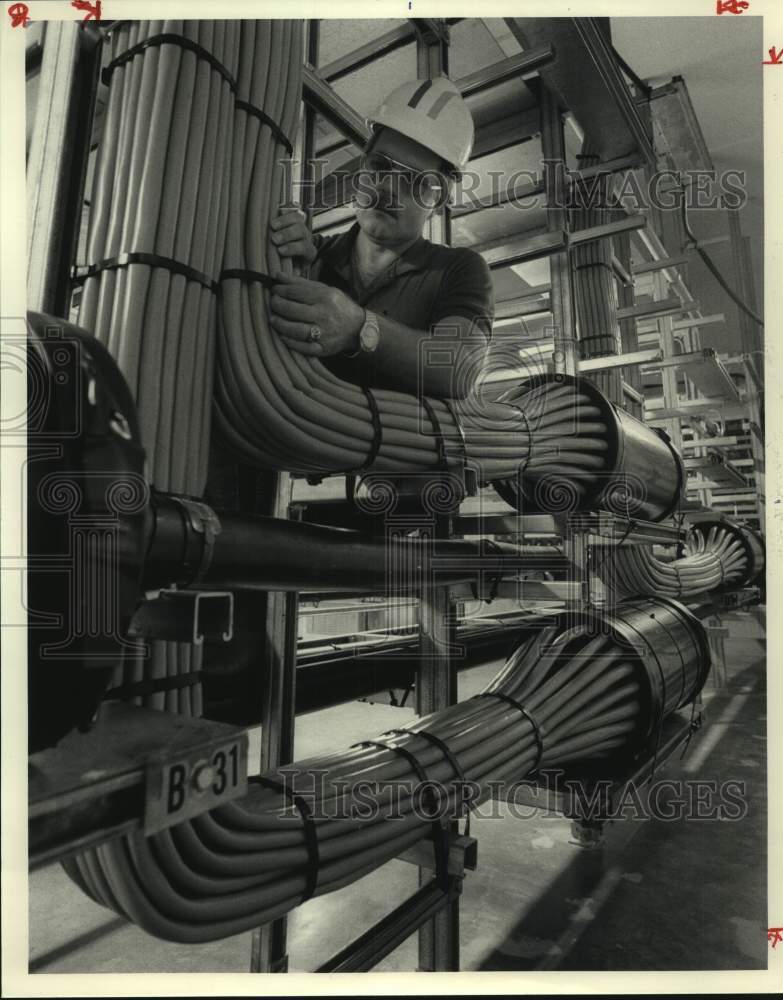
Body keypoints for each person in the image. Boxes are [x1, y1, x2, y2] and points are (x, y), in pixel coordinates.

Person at [268, 76, 494, 399]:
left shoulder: (459, 270)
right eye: (380, 166)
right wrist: (282, 257)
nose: (388, 187)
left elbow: (459, 369)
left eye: (415, 181)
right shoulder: (310, 254)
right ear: (363, 166)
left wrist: (360, 328)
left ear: (438, 201)